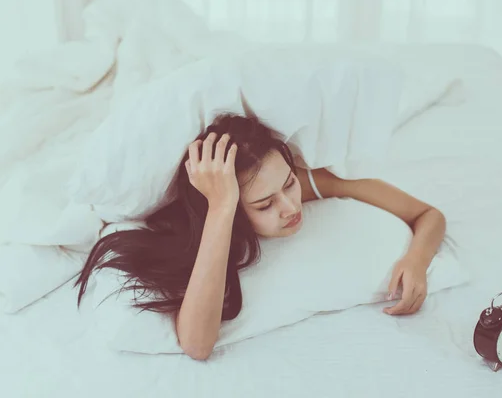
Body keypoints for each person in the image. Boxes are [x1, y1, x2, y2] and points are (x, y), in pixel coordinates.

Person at [73, 113, 447, 361]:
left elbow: (428, 214)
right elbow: (198, 344)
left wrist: (416, 261)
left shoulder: (297, 183)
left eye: (288, 184)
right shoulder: (213, 219)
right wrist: (222, 207)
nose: (290, 207)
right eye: (265, 204)